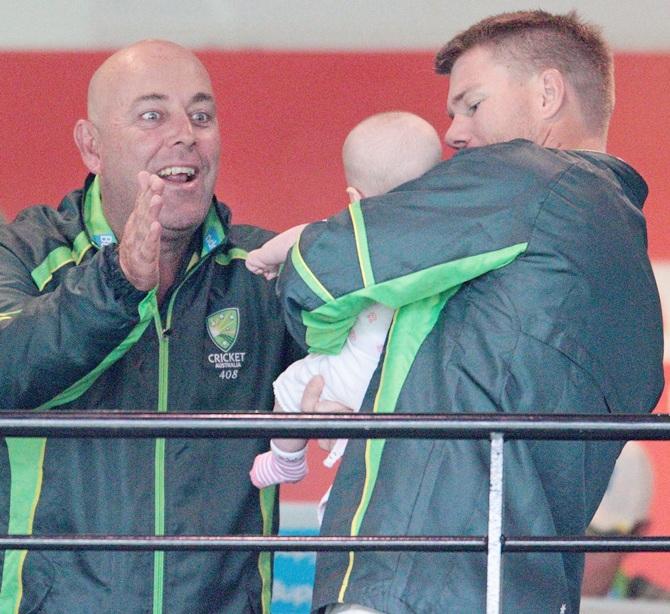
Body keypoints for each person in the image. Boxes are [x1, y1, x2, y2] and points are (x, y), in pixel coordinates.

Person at [277, 10, 664, 614]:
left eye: (472, 104)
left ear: (547, 93)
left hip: (415, 575)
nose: (453, 131)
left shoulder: (527, 179)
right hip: (525, 585)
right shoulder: (623, 261)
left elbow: (318, 274)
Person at [0, 40, 302, 613]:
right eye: (152, 114)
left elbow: (375, 369)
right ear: (92, 146)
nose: (186, 132)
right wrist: (116, 283)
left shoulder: (264, 267)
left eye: (202, 115)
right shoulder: (20, 250)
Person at [246, 111, 443, 490]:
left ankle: (286, 460)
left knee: (293, 385)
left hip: (354, 373)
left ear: (356, 198)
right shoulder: (439, 236)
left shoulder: (357, 233)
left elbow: (305, 237)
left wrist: (264, 257)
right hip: (415, 381)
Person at [582, 441, 670, 600]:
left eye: (599, 537)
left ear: (638, 535)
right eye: (564, 530)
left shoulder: (658, 608)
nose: (578, 554)